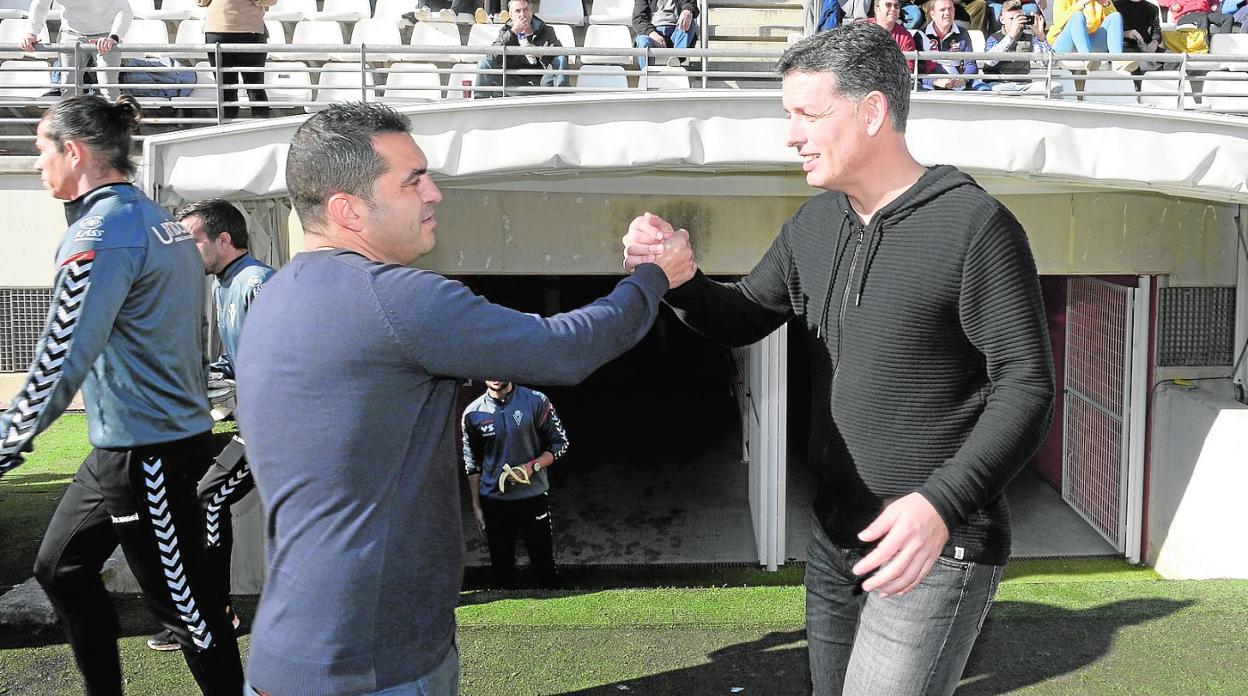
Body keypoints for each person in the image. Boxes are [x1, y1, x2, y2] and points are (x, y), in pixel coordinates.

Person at [622, 23, 1055, 695]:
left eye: (808, 114)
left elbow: (1026, 386)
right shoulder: (815, 225)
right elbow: (742, 318)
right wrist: (682, 279)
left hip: (934, 546)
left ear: (872, 111)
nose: (791, 135)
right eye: (788, 115)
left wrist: (940, 504)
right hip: (834, 542)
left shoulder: (976, 227)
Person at [234, 101, 692, 696]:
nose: (434, 194)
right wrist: (654, 278)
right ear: (347, 209)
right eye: (413, 180)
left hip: (286, 654)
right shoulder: (397, 301)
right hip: (375, 666)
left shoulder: (272, 295)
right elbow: (564, 351)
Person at [0, 95, 243, 694]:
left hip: (149, 452)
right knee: (62, 568)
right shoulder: (155, 220)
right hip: (124, 447)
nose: (37, 164)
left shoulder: (100, 235)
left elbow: (62, 355)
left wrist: (9, 437)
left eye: (40, 150)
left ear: (74, 152)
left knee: (189, 611)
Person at [145, 198, 274, 652]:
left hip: (273, 428)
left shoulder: (257, 282)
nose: (185, 251)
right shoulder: (223, 285)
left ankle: (218, 614)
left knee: (209, 499)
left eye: (193, 240)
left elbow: (281, 362)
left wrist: (237, 390)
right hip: (249, 421)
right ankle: (214, 611)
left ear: (224, 239)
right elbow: (234, 359)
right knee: (198, 496)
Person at [463, 380, 568, 589]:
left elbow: (561, 442)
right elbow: (472, 463)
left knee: (544, 566)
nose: (495, 376)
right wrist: (476, 505)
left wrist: (532, 467)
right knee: (502, 571)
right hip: (494, 501)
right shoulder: (472, 413)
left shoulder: (536, 400)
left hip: (533, 497)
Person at [20, 0, 132, 99]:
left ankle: (112, 122)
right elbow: (40, 5)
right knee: (69, 88)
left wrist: (113, 37)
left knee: (108, 88)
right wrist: (31, 33)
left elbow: (124, 10)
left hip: (105, 36)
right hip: (70, 33)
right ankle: (72, 122)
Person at [474, 0, 569, 97]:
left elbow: (560, 55)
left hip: (543, 82)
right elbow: (492, 56)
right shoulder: (505, 32)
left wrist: (540, 52)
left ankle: (561, 101)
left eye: (526, 10)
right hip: (515, 83)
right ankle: (478, 106)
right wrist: (513, 32)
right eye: (518, 11)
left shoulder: (546, 30)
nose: (522, 14)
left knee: (560, 58)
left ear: (531, 12)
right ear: (511, 14)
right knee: (484, 64)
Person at [199, 0, 275, 119]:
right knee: (255, 87)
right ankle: (262, 129)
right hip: (250, 31)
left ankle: (226, 129)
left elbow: (201, 2)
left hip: (217, 30)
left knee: (225, 89)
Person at [983, 0, 1054, 91]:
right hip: (998, 83)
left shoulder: (1029, 38)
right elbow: (990, 61)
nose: (1016, 22)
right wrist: (1011, 35)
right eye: (1012, 19)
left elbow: (1047, 63)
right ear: (1002, 20)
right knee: (995, 90)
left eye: (1020, 18)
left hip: (1023, 84)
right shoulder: (994, 38)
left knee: (1054, 87)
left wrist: (1041, 38)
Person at [919, 0, 989, 90]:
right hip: (932, 83)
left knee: (984, 89)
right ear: (932, 14)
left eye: (950, 9)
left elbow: (971, 64)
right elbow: (918, 69)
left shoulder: (962, 33)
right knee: (923, 90)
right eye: (942, 10)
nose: (947, 13)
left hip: (959, 82)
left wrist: (963, 79)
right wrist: (935, 81)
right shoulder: (921, 35)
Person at [632, 0, 699, 68]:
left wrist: (687, 10)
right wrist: (652, 33)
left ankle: (676, 59)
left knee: (688, 21)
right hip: (652, 33)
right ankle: (647, 74)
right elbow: (638, 19)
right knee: (643, 41)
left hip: (677, 32)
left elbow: (690, 3)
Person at [1047, 0, 1124, 59]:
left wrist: (1105, 3)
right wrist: (1081, 4)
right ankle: (1087, 59)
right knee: (1077, 16)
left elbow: (1115, 23)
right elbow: (1059, 24)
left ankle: (1117, 61)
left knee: (1115, 16)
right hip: (1065, 43)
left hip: (1090, 42)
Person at [862, 0, 920, 72]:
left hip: (893, 81)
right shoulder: (861, 29)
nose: (893, 9)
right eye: (888, 5)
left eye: (896, 6)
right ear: (876, 9)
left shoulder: (905, 36)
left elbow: (908, 69)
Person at [1113, 0, 1165, 71]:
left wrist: (1154, 41)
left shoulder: (1152, 8)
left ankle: (1155, 77)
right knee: (1136, 65)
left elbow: (1156, 30)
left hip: (1145, 47)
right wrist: (1125, 33)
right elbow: (1108, 31)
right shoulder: (1115, 6)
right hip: (1124, 47)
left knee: (1175, 60)